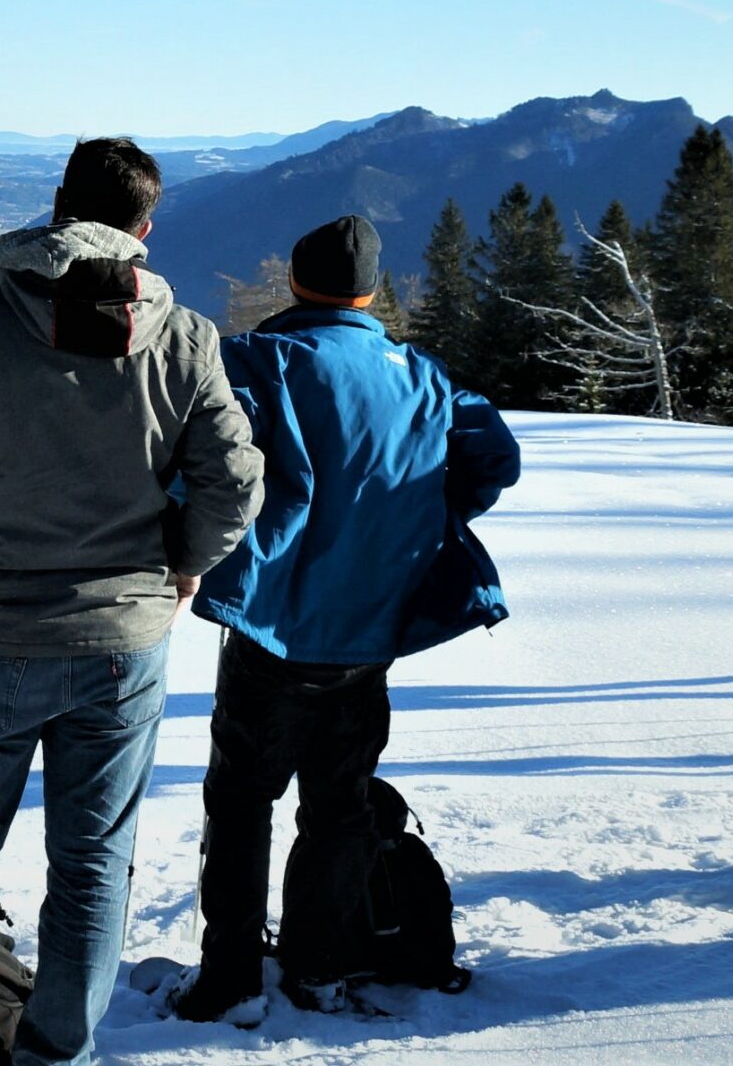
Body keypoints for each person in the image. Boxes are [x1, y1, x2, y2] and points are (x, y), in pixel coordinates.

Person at [0, 138, 264, 1066]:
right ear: (145, 230)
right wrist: (182, 569)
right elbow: (236, 481)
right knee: (91, 869)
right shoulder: (185, 339)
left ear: (56, 204)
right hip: (124, 639)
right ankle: (55, 1059)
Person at [180, 215, 521, 1021]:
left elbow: (203, 461)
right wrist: (415, 520)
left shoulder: (260, 360)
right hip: (372, 628)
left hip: (274, 623)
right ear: (368, 293)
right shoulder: (421, 374)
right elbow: (494, 457)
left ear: (297, 281)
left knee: (241, 802)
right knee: (341, 806)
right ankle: (318, 970)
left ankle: (230, 978)